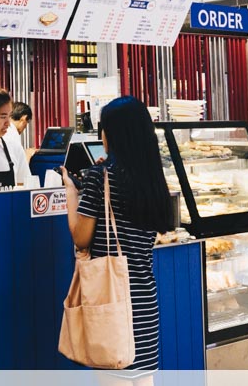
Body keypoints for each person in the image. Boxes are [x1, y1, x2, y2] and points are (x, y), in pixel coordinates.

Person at [61, 96, 173, 372]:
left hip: (111, 304)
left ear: (111, 134)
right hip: (145, 304)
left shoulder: (100, 177)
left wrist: (71, 192)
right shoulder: (153, 178)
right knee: (143, 378)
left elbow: (81, 237)